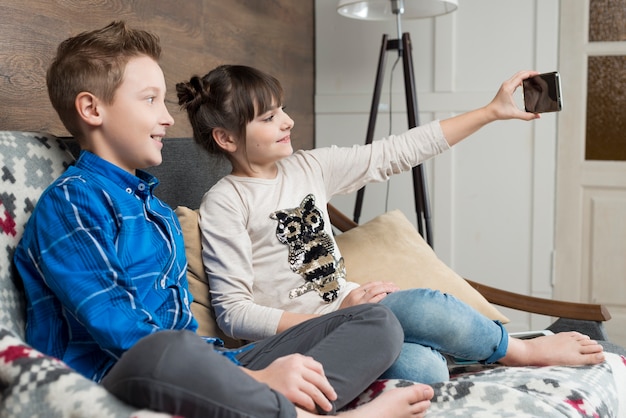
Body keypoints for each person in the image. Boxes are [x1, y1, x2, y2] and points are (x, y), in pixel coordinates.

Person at [13, 21, 436, 418]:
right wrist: (252, 377)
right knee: (164, 351)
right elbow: (123, 333)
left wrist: (241, 370)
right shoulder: (72, 201)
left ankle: (271, 404)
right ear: (91, 108)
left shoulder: (154, 208)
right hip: (118, 377)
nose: (166, 116)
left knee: (376, 322)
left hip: (207, 364)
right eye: (149, 99)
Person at [177, 64, 606, 384]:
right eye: (268, 118)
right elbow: (233, 315)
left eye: (282, 109)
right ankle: (521, 352)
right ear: (227, 139)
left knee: (426, 370)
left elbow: (397, 151)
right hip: (300, 342)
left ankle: (467, 347)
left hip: (355, 319)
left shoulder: (308, 168)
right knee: (424, 307)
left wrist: (491, 112)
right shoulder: (225, 203)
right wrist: (337, 317)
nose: (288, 121)